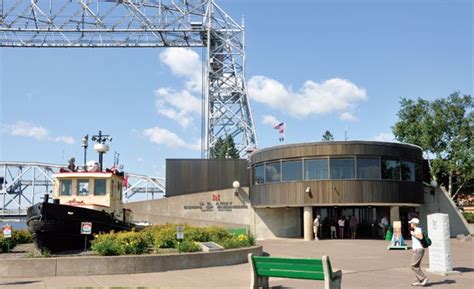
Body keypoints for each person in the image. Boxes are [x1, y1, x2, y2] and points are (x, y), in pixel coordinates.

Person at [409, 218, 429, 287]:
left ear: (414, 223)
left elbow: (420, 237)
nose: (410, 224)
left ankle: (424, 277)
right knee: (416, 266)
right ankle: (417, 281)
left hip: (419, 250)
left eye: (411, 223)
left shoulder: (417, 229)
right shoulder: (415, 230)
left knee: (413, 266)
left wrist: (413, 234)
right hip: (417, 250)